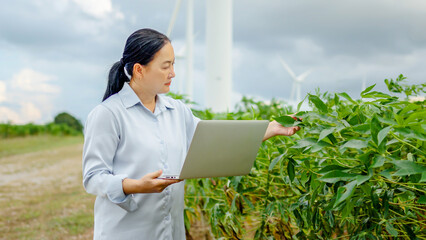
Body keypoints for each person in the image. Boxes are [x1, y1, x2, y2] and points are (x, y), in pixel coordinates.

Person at [82, 28, 300, 240]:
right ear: (139, 70)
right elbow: (93, 178)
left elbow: (214, 142)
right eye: (165, 66)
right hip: (126, 231)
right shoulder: (108, 114)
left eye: (173, 65)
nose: (173, 73)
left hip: (171, 230)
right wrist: (134, 185)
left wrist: (271, 128)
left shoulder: (178, 111)